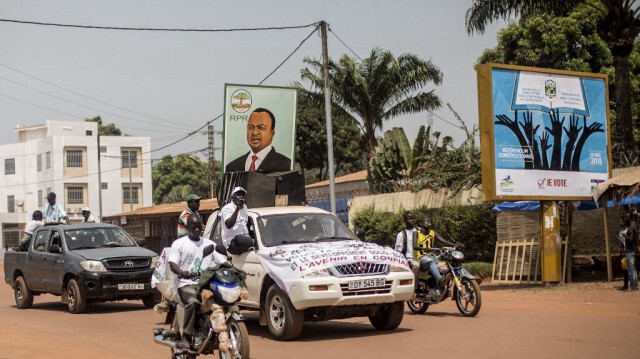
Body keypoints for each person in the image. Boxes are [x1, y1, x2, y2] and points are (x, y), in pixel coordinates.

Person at [168, 213, 227, 349]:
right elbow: (172, 264)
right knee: (193, 302)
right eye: (193, 227)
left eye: (198, 227)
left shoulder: (209, 244)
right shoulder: (179, 244)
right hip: (186, 284)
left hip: (205, 284)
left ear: (202, 227)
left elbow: (222, 261)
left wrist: (229, 267)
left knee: (225, 300)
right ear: (188, 227)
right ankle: (186, 337)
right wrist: (182, 272)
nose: (196, 230)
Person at [225, 107, 291, 172]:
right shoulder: (231, 167)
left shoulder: (286, 166)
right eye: (250, 127)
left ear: (272, 134)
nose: (254, 132)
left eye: (261, 128)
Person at [413, 217, 463, 288]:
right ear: (421, 224)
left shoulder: (433, 233)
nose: (428, 221)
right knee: (431, 262)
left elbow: (445, 242)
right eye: (426, 221)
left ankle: (466, 277)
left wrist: (456, 245)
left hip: (432, 256)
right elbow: (414, 246)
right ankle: (440, 280)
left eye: (429, 221)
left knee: (449, 263)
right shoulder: (416, 233)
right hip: (421, 258)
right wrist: (425, 249)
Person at [394, 211, 419, 286]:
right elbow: (398, 252)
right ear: (405, 220)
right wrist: (405, 261)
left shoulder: (419, 231)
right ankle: (414, 288)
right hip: (410, 258)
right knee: (416, 266)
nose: (412, 220)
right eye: (409, 219)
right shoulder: (401, 234)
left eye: (413, 218)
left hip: (421, 256)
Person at [622, 213, 639, 292]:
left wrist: (625, 236)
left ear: (629, 218)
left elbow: (631, 239)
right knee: (633, 269)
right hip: (633, 250)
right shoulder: (633, 226)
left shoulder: (631, 227)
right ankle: (635, 285)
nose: (624, 220)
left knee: (631, 269)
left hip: (630, 251)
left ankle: (632, 286)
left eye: (626, 218)